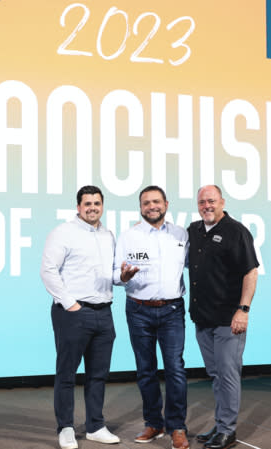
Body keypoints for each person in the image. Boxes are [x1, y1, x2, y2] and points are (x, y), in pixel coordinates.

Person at [40, 185, 120, 449]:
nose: (92, 208)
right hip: (73, 313)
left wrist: (124, 277)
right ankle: (65, 427)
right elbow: (48, 271)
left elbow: (111, 273)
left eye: (97, 203)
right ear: (78, 207)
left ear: (102, 206)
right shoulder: (63, 233)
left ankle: (95, 425)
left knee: (98, 374)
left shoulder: (108, 235)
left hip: (104, 313)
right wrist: (70, 304)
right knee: (66, 374)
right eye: (87, 203)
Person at [113, 185, 190, 449]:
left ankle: (177, 427)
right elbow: (116, 274)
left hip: (171, 310)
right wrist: (123, 277)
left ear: (166, 204)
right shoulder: (128, 236)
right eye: (146, 203)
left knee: (175, 369)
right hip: (138, 310)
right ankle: (154, 423)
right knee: (145, 371)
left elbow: (198, 266)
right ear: (140, 207)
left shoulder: (182, 234)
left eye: (156, 202)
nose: (151, 206)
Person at [188, 185, 259, 449]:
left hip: (229, 320)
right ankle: (220, 424)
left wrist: (243, 310)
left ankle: (227, 430)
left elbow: (250, 273)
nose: (207, 205)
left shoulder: (236, 231)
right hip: (202, 318)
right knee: (216, 374)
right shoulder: (193, 231)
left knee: (228, 375)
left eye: (212, 201)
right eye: (202, 201)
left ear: (222, 202)